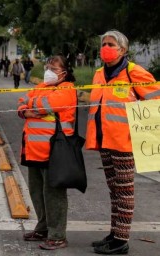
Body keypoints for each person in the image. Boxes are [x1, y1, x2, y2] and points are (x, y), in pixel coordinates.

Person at [86, 30, 160, 255]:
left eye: (111, 44)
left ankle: (121, 241)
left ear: (123, 49)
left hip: (125, 143)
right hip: (104, 141)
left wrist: (139, 126)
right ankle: (114, 233)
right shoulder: (99, 73)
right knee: (114, 191)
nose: (106, 47)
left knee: (125, 192)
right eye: (104, 44)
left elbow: (155, 100)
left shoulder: (134, 72)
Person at [17, 55, 76, 250]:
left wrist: (32, 105)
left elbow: (51, 105)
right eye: (47, 67)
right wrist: (24, 110)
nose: (48, 71)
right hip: (33, 150)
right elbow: (21, 100)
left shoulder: (67, 89)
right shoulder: (40, 86)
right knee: (36, 192)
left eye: (54, 68)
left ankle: (57, 235)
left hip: (54, 151)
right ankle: (42, 228)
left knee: (54, 195)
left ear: (64, 73)